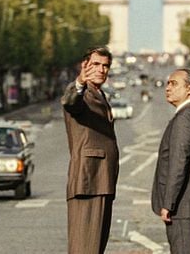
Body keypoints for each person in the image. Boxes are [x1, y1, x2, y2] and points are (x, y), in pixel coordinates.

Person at [61, 46, 118, 254]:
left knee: (95, 247)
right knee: (84, 247)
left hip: (101, 180)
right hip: (88, 180)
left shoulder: (100, 94)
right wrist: (79, 83)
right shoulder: (82, 93)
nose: (101, 70)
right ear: (84, 66)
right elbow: (69, 102)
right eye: (96, 64)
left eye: (105, 66)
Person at [151, 68, 190, 254]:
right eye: (168, 83)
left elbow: (179, 164)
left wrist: (168, 204)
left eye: (174, 83)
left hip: (183, 207)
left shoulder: (185, 118)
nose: (168, 88)